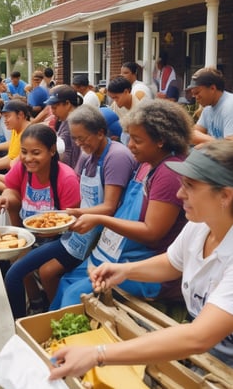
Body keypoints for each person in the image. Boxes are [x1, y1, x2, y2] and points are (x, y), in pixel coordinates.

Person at [49, 140, 233, 379]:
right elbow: (171, 263)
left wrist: (99, 354)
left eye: (189, 186)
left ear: (225, 196)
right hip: (204, 355)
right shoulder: (199, 227)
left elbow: (198, 337)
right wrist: (125, 271)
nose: (179, 194)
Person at [50, 99, 192, 310]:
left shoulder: (169, 173)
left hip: (152, 265)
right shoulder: (147, 163)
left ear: (161, 140)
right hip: (122, 249)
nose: (130, 145)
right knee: (66, 280)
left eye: (137, 140)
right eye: (130, 137)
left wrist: (99, 218)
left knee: (74, 295)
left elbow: (152, 232)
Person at [1, 106, 136, 318]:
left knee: (24, 272)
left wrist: (70, 213)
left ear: (101, 132)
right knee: (19, 265)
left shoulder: (116, 156)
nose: (79, 144)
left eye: (83, 138)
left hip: (96, 234)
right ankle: (44, 311)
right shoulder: (87, 154)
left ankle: (40, 318)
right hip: (76, 229)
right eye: (75, 139)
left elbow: (109, 207)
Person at [187, 67, 233, 145]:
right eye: (193, 94)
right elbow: (194, 134)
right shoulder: (208, 107)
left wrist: (207, 142)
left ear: (212, 88)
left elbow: (230, 145)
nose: (195, 97)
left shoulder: (230, 105)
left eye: (197, 92)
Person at [44, 85, 83, 169]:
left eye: (54, 107)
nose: (53, 111)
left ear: (68, 104)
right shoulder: (65, 120)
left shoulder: (74, 123)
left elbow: (74, 155)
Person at [107, 76, 150, 144]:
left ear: (126, 92)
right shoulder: (115, 105)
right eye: (112, 98)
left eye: (116, 97)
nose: (115, 101)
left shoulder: (141, 107)